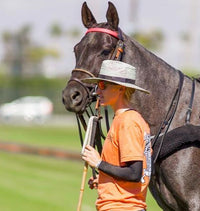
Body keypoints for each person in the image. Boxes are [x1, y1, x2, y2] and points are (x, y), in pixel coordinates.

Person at [81, 60, 152, 211]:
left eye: (103, 86)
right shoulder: (127, 119)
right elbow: (130, 173)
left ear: (121, 89)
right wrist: (106, 180)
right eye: (97, 85)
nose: (97, 91)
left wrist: (98, 163)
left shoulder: (128, 122)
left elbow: (134, 172)